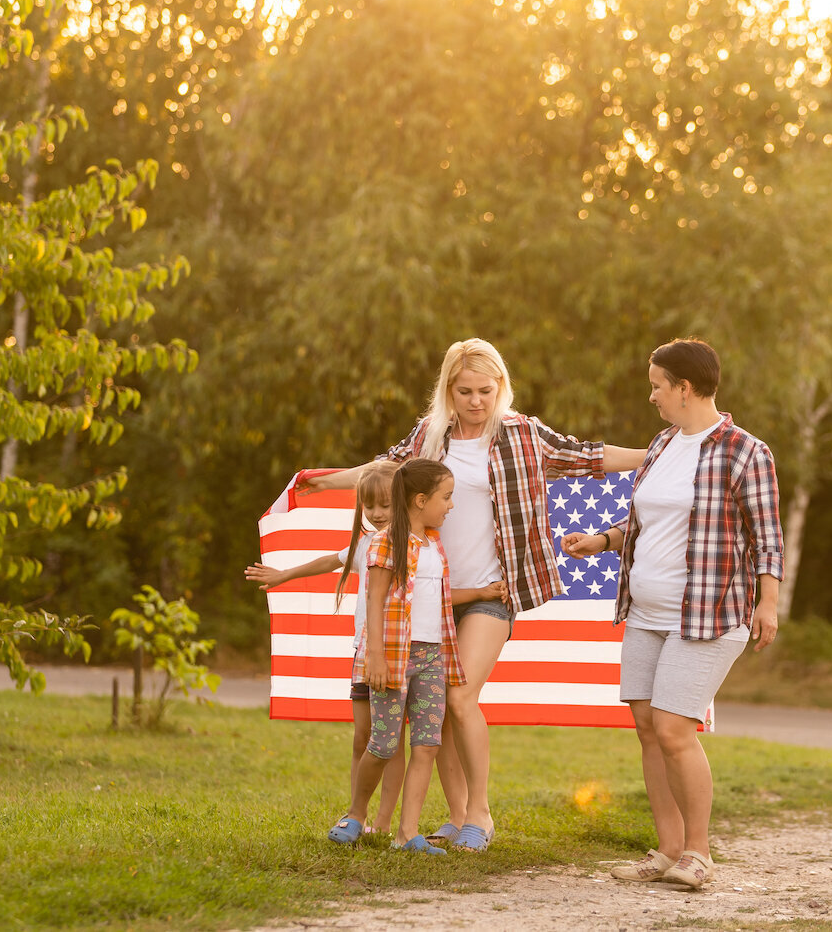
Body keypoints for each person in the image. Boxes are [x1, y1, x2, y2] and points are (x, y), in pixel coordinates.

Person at [302, 338, 647, 852]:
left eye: (486, 390)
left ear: (501, 387)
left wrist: (659, 453)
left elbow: (593, 457)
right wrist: (323, 482)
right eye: (464, 391)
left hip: (492, 590)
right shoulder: (429, 438)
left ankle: (480, 815)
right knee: (435, 705)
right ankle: (459, 816)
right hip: (434, 599)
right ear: (448, 390)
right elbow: (379, 471)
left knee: (459, 696)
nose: (476, 401)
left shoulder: (524, 434)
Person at [565, 338, 783, 891]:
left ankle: (698, 853)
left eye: (658, 385)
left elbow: (769, 539)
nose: (652, 395)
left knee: (674, 728)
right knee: (646, 728)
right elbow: (647, 524)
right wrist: (603, 539)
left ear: (685, 389)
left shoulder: (744, 451)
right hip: (645, 612)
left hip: (707, 616)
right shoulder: (662, 444)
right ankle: (665, 850)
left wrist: (770, 603)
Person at [245, 461, 408, 835]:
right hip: (364, 652)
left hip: (399, 653)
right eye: (370, 506)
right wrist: (283, 574)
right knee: (362, 736)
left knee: (393, 739)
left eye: (385, 504)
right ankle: (357, 815)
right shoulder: (366, 543)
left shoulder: (415, 545)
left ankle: (384, 822)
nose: (378, 513)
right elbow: (330, 561)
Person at [328, 459, 463, 853]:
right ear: (420, 500)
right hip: (392, 654)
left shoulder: (434, 541)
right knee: (384, 744)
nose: (450, 505)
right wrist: (374, 655)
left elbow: (438, 598)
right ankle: (355, 813)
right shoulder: (387, 541)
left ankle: (407, 833)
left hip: (431, 656)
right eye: (446, 497)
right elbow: (374, 597)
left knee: (427, 744)